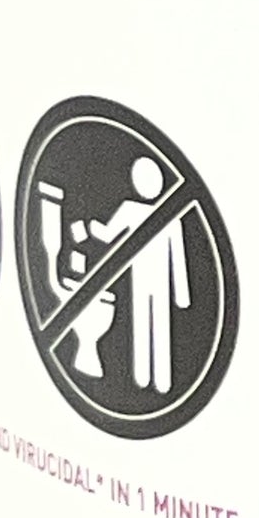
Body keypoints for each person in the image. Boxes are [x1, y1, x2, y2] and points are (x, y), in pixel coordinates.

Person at [91, 156, 189, 394]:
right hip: (143, 277)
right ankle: (147, 378)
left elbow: (177, 257)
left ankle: (156, 378)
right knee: (146, 323)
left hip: (156, 278)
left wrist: (182, 295)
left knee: (156, 323)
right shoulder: (133, 209)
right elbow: (109, 234)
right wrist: (95, 229)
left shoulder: (169, 217)